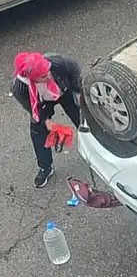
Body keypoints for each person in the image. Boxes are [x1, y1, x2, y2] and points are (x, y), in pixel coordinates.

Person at [11, 52, 83, 188]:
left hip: (63, 90)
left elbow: (74, 70)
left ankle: (98, 145)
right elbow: (31, 108)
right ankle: (45, 167)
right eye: (43, 76)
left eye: (48, 71)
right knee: (38, 131)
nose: (49, 75)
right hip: (41, 103)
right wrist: (45, 121)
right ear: (31, 78)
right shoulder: (19, 88)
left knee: (82, 117)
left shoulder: (57, 62)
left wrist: (78, 91)